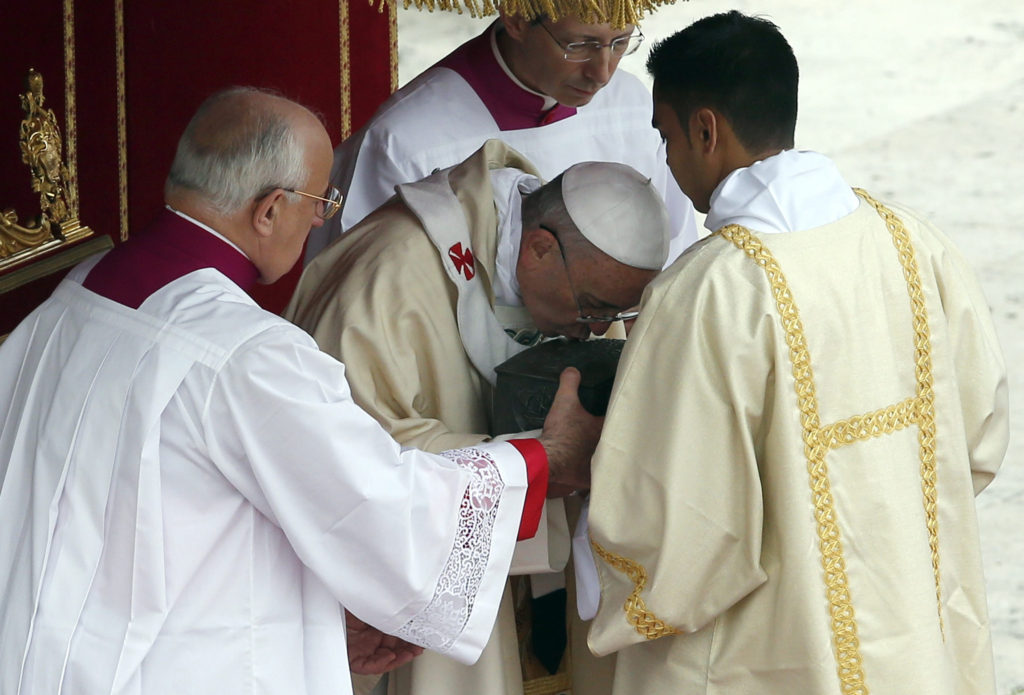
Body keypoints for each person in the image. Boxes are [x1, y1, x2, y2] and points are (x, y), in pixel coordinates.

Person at [0, 87, 603, 695]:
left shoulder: (78, 295)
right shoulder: (242, 352)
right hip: (170, 666)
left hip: (46, 648)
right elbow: (378, 506)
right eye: (320, 201)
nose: (321, 219)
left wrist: (322, 620)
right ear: (269, 210)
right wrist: (540, 461)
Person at [582, 11, 1009, 695]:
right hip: (915, 643)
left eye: (665, 138)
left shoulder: (707, 292)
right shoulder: (911, 244)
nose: (667, 162)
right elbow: (977, 440)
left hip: (774, 656)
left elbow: (672, 540)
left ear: (705, 129)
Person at [284, 138, 670, 695]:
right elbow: (344, 460)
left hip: (531, 588)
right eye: (594, 309)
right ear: (538, 249)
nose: (596, 328)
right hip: (413, 607)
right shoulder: (390, 270)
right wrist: (538, 459)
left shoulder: (582, 272)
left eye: (616, 314)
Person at [303, 0, 697, 266]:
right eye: (580, 45)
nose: (603, 72)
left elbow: (675, 244)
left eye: (620, 43)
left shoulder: (632, 105)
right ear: (517, 20)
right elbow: (361, 300)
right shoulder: (406, 141)